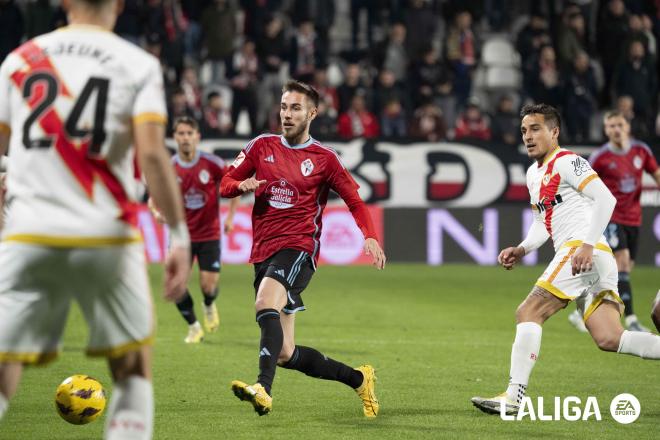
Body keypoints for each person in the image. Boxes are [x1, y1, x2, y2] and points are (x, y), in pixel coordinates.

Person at [0, 1, 191, 439]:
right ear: (120, 5)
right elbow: (152, 157)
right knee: (131, 371)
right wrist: (178, 238)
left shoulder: (21, 60)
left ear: (64, 2)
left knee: (5, 364)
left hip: (29, 233)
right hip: (106, 237)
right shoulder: (137, 63)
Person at [471, 104, 660, 416]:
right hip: (591, 257)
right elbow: (542, 223)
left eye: (535, 129)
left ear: (554, 132)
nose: (528, 136)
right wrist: (521, 249)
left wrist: (586, 245)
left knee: (528, 311)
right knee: (610, 337)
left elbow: (606, 198)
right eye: (523, 131)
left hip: (583, 252)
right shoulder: (534, 174)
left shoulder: (568, 161)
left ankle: (514, 398)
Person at [220, 80, 386, 417]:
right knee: (285, 352)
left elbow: (354, 199)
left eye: (295, 108)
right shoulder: (260, 146)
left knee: (264, 302)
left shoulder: (324, 159)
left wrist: (369, 235)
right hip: (263, 251)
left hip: (299, 249)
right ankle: (359, 379)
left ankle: (263, 389)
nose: (287, 114)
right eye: (283, 107)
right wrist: (241, 184)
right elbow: (225, 184)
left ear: (312, 113)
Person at [567, 111, 660, 333]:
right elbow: (583, 186)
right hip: (611, 217)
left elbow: (656, 174)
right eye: (610, 126)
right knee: (623, 262)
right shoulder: (600, 157)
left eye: (619, 125)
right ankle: (632, 320)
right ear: (606, 130)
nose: (615, 130)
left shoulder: (641, 151)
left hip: (634, 219)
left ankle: (581, 306)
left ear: (627, 127)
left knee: (621, 271)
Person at [151, 116, 239, 343]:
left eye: (190, 133)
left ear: (197, 136)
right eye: (181, 133)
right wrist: (156, 212)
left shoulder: (213, 163)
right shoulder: (169, 167)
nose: (186, 138)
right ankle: (193, 326)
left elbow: (234, 185)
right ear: (175, 137)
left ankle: (209, 304)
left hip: (209, 234)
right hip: (181, 237)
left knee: (208, 287)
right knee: (175, 284)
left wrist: (230, 217)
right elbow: (153, 198)